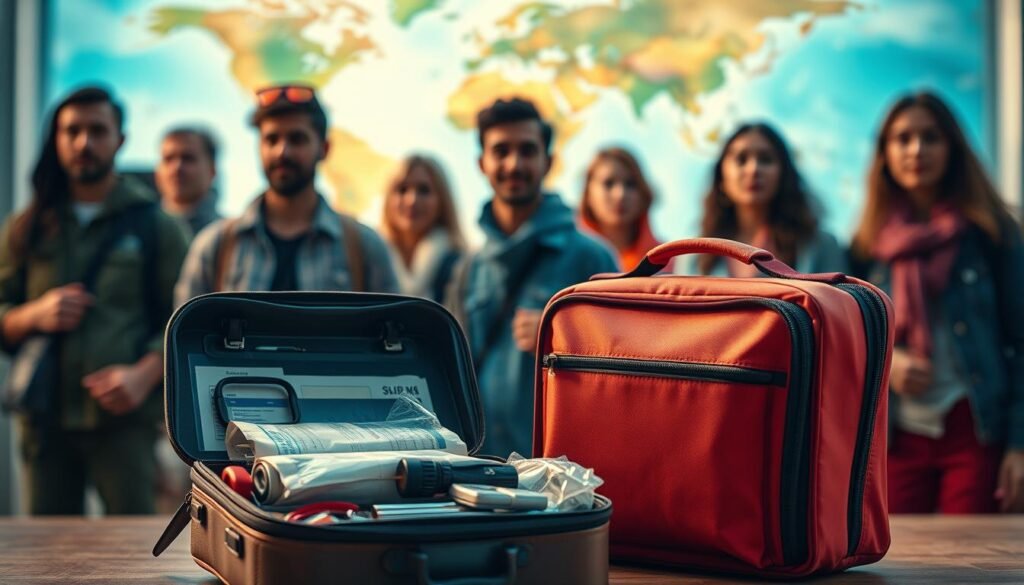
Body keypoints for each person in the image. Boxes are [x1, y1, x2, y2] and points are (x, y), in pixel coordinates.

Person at [0, 86, 189, 514]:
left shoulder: (157, 225)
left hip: (124, 422)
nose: (85, 142)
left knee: (135, 555)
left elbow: (184, 323)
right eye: (73, 131)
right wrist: (33, 314)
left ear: (120, 139)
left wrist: (143, 374)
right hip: (45, 420)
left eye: (98, 130)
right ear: (57, 140)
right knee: (49, 560)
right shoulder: (26, 228)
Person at [850, 91, 1024, 514]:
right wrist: (890, 365)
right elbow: (848, 344)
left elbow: (1021, 343)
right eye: (903, 138)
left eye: (930, 137)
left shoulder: (994, 234)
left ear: (952, 147)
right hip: (894, 434)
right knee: (897, 564)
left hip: (975, 429)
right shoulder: (865, 247)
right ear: (884, 153)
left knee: (966, 567)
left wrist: (1020, 445)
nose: (916, 150)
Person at [446, 98, 619, 457]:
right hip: (481, 473)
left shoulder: (592, 257)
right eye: (501, 151)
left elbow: (624, 368)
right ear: (482, 163)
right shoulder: (469, 268)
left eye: (527, 150)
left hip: (565, 474)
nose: (514, 164)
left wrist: (561, 336)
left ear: (548, 161)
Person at [174, 84, 397, 305]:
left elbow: (395, 331)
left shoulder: (365, 246)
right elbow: (184, 336)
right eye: (271, 140)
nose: (282, 151)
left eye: (297, 139)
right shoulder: (214, 245)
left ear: (324, 149)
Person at [679, 122, 846, 276]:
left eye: (766, 159)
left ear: (784, 174)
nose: (753, 169)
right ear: (721, 178)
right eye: (741, 159)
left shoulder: (821, 246)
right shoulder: (693, 254)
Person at [379, 154, 466, 302]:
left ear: (442, 200)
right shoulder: (368, 261)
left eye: (424, 190)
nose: (411, 200)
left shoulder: (463, 267)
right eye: (402, 189)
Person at [579, 147, 666, 271]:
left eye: (630, 184)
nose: (620, 194)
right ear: (588, 193)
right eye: (608, 183)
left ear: (644, 193)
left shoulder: (666, 261)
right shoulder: (566, 256)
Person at [155, 126, 222, 237]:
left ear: (212, 170)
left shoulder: (230, 237)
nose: (176, 168)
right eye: (168, 159)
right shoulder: (137, 232)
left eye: (188, 158)